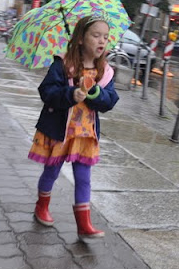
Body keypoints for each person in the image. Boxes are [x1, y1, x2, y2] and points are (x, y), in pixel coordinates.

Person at [28, 14, 120, 241]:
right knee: (51, 171)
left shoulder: (104, 72)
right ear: (80, 38)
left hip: (85, 134)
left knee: (84, 178)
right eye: (96, 35)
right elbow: (47, 92)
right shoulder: (63, 65)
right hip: (61, 131)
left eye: (105, 37)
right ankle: (42, 205)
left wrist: (95, 93)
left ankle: (83, 224)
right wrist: (71, 94)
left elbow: (110, 101)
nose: (102, 41)